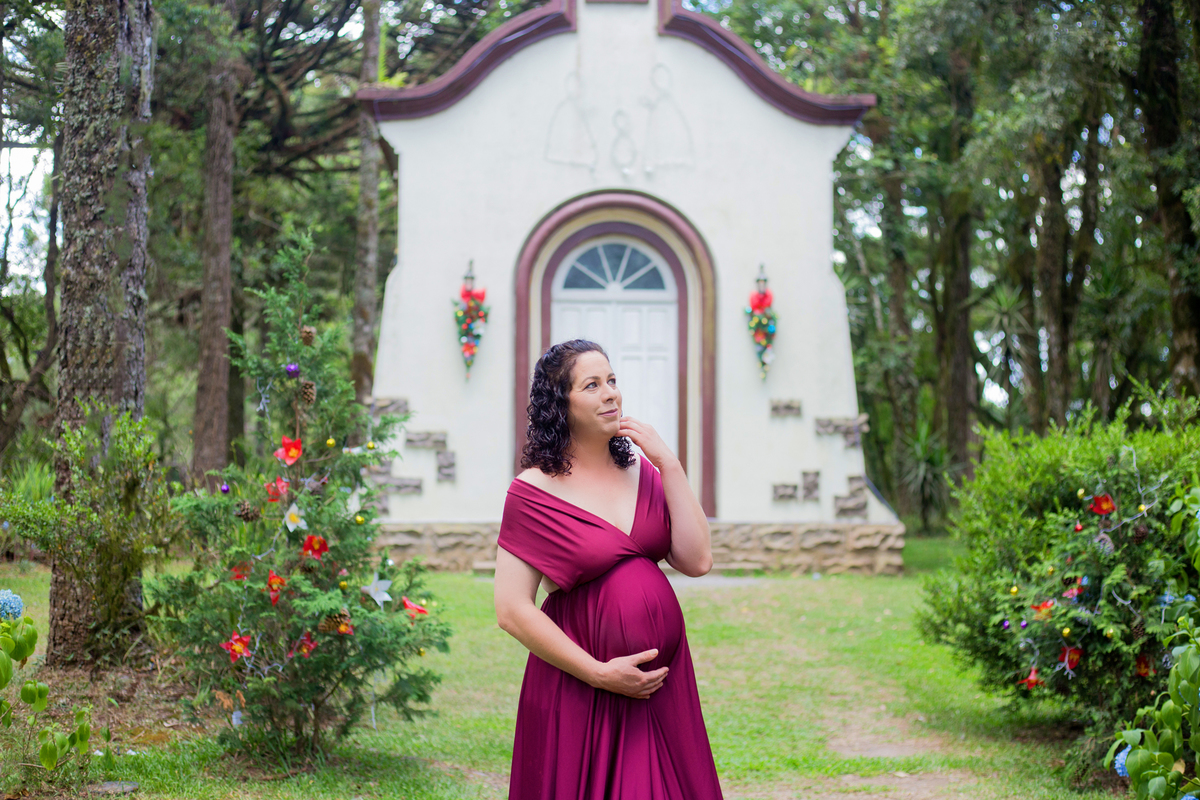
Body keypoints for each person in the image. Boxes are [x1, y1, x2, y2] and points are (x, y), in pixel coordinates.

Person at [494, 339, 724, 799]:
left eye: (613, 381)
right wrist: (599, 672)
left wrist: (670, 464)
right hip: (584, 686)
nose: (611, 394)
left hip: (662, 684)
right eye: (592, 385)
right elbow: (512, 609)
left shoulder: (645, 471)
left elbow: (697, 560)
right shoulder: (533, 491)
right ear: (562, 404)